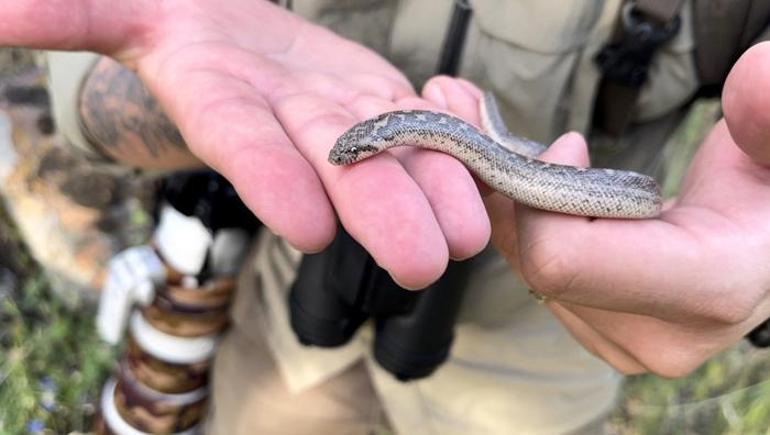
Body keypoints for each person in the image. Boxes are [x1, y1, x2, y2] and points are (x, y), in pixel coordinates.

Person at [3, 0, 770, 433]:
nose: (360, 150)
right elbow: (98, 63)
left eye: (363, 146)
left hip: (532, 376)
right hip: (288, 327)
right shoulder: (382, 139)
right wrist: (164, 72)